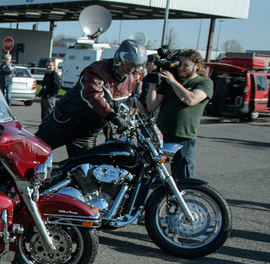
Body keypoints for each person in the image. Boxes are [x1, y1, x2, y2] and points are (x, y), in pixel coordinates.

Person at [35, 39, 144, 157]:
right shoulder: (97, 70)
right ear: (119, 58)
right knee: (33, 151)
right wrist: (112, 116)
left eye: (134, 66)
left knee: (84, 169)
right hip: (65, 122)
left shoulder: (130, 81)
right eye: (127, 63)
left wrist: (122, 124)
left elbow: (123, 106)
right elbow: (92, 95)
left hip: (87, 132)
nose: (129, 68)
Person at [144, 49, 212, 178]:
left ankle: (185, 199)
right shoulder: (169, 81)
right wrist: (153, 84)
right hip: (162, 136)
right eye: (179, 64)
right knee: (154, 177)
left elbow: (190, 100)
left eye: (186, 65)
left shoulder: (203, 82)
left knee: (183, 180)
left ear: (197, 66)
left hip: (184, 137)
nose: (181, 68)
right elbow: (152, 106)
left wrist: (173, 81)